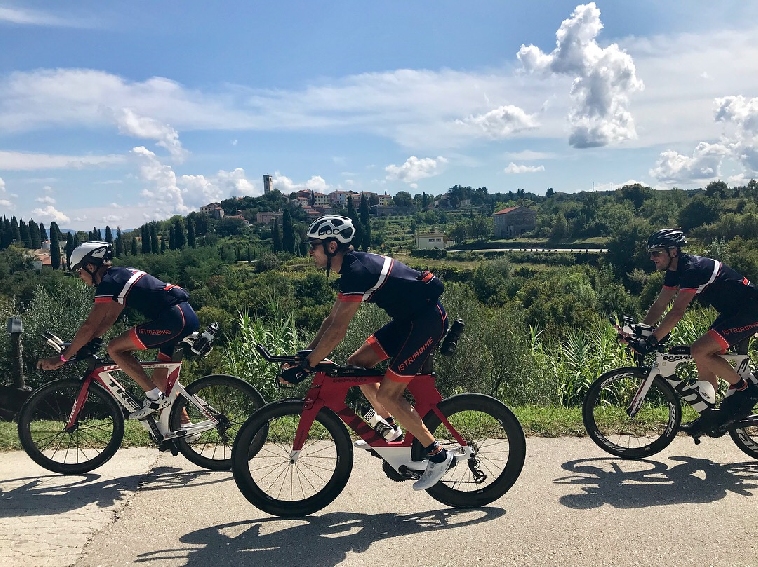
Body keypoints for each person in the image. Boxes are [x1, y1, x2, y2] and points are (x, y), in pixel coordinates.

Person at [281, 215, 452, 490]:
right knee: (358, 363)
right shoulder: (351, 269)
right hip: (408, 321)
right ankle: (390, 427)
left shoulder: (357, 271)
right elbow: (331, 321)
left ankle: (437, 454)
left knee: (388, 392)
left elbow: (338, 332)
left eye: (313, 246)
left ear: (332, 246)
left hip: (425, 323)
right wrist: (308, 355)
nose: (310, 252)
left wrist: (308, 366)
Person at [36, 241, 200, 420]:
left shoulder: (108, 283)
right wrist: (92, 340)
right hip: (183, 316)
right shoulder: (119, 276)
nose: (80, 276)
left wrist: (63, 358)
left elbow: (89, 325)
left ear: (90, 266)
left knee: (115, 348)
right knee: (160, 380)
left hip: (174, 321)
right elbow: (110, 318)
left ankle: (154, 398)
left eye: (79, 271)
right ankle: (184, 427)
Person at [637, 228, 758, 434]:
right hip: (734, 313)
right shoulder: (675, 271)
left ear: (673, 251)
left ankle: (745, 390)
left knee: (699, 350)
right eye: (651, 253)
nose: (652, 257)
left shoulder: (692, 269)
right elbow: (660, 305)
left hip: (750, 312)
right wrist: (642, 331)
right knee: (702, 355)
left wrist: (653, 339)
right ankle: (710, 416)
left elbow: (676, 312)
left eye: (656, 252)